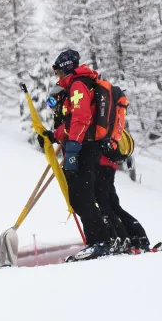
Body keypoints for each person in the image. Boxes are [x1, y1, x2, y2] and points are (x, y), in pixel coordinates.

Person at [42, 49, 115, 260]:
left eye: (57, 71)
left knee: (81, 194)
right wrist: (54, 135)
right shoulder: (76, 86)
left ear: (65, 68)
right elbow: (71, 122)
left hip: (84, 147)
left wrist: (73, 148)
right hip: (82, 145)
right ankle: (99, 241)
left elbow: (81, 118)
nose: (57, 76)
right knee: (79, 194)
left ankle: (100, 241)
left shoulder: (78, 85)